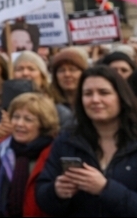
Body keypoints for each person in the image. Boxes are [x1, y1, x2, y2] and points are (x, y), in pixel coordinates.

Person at [36, 65, 137, 215]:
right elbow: (42, 197)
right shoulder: (67, 141)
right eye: (88, 94)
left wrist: (106, 189)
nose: (95, 100)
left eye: (104, 93)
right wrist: (56, 192)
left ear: (121, 97)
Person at [0, 92, 59, 217]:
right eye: (16, 117)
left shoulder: (54, 155)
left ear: (43, 124)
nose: (19, 124)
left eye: (28, 119)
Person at [0, 53, 73, 139]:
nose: (25, 73)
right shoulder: (2, 111)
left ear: (43, 76)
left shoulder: (60, 112)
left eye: (31, 69)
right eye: (19, 69)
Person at [49, 48, 89, 114]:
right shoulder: (48, 104)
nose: (67, 74)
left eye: (72, 70)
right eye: (61, 70)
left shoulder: (91, 102)